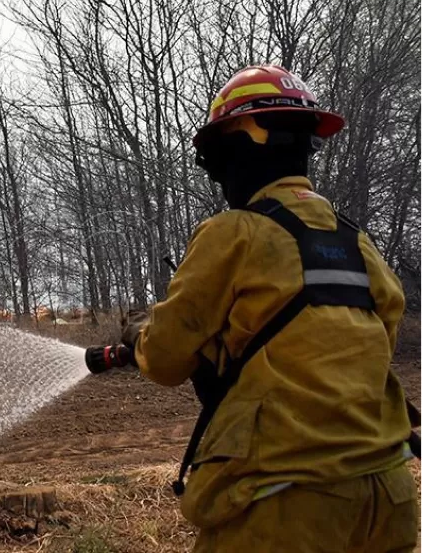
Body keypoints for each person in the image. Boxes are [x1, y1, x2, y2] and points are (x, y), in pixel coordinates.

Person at [123, 65, 419, 552]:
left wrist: (142, 337)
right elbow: (373, 343)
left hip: (285, 499)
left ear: (239, 150)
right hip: (387, 493)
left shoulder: (233, 232)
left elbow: (166, 359)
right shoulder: (357, 243)